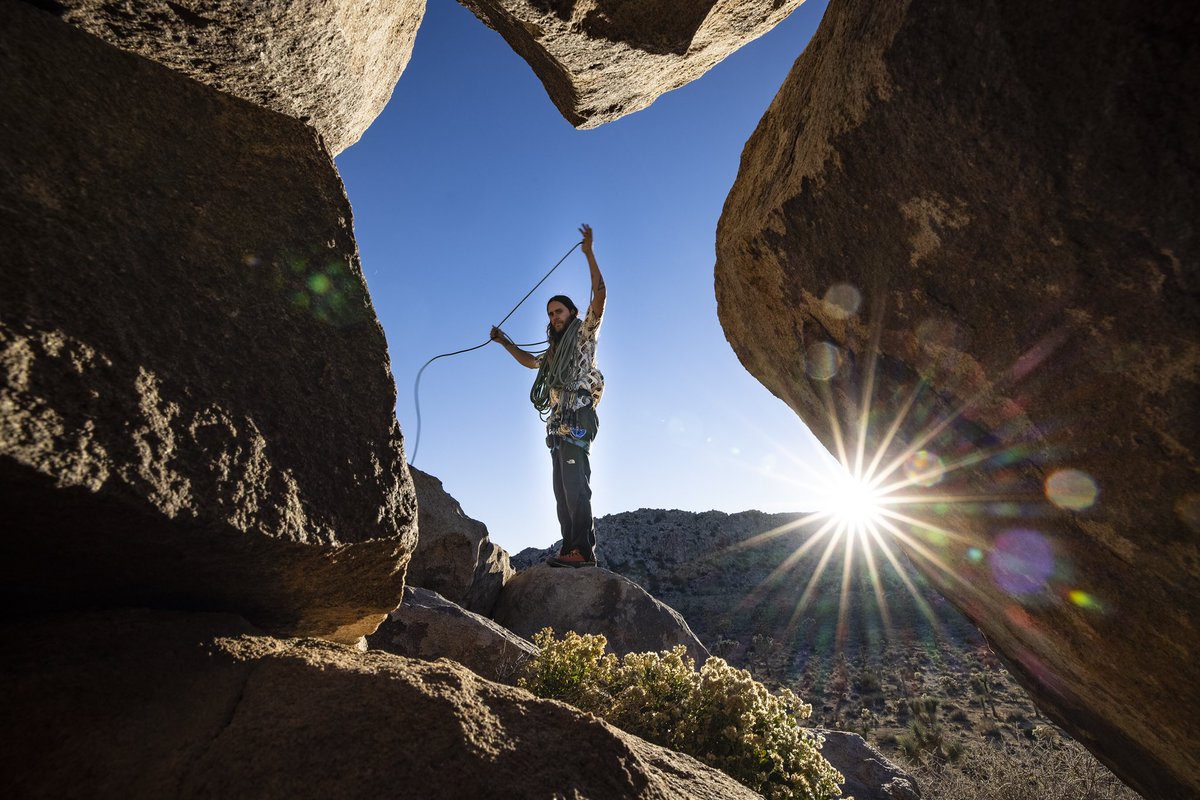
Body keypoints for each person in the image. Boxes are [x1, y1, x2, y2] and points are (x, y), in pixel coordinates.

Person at [490, 224, 605, 568]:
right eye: (551, 314)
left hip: (578, 417)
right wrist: (504, 342)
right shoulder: (553, 353)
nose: (554, 317)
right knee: (561, 492)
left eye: (559, 311)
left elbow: (600, 295)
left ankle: (583, 551)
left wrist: (589, 253)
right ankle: (570, 548)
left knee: (575, 485)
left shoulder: (584, 335)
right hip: (556, 426)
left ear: (572, 313)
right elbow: (531, 362)